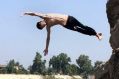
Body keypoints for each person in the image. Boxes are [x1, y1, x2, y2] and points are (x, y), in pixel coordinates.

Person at [24, 12, 102, 56]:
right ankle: (95, 34)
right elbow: (48, 38)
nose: (44, 26)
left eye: (42, 25)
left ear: (41, 22)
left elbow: (35, 14)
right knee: (80, 30)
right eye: (42, 27)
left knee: (83, 26)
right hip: (66, 25)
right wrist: (47, 48)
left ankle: (96, 34)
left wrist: (27, 13)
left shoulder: (46, 16)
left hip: (69, 19)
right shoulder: (48, 27)